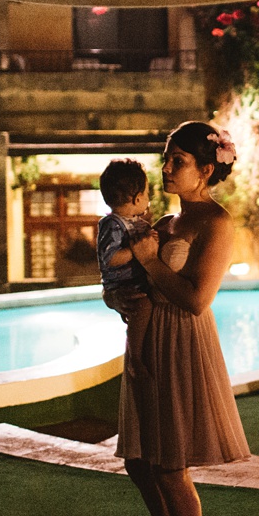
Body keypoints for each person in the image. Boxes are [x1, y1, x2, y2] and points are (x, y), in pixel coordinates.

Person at [119, 122, 250, 516]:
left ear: (207, 170)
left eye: (177, 160)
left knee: (170, 465)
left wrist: (151, 266)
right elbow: (145, 277)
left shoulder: (216, 223)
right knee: (139, 459)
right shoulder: (167, 220)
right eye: (166, 157)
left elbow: (197, 300)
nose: (166, 166)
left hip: (181, 343)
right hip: (147, 340)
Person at [97, 158, 153, 377]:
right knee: (144, 306)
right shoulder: (112, 224)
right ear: (137, 198)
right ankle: (135, 358)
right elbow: (109, 258)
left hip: (132, 281)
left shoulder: (132, 221)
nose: (148, 199)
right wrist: (137, 251)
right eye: (147, 194)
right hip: (124, 283)